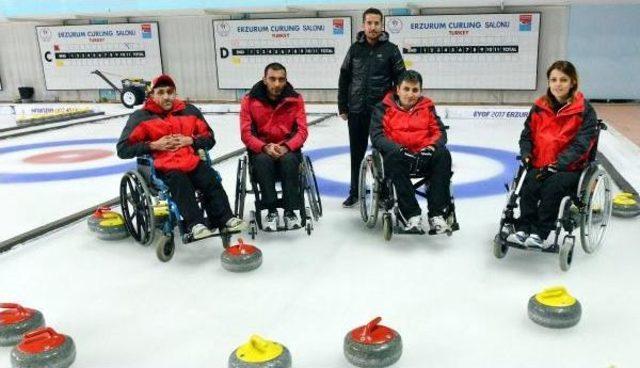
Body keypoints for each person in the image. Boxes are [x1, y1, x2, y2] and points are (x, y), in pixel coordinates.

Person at [116, 74, 244, 240]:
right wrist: (153, 145)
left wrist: (191, 140)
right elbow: (123, 149)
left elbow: (210, 138)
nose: (166, 96)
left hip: (190, 161)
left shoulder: (189, 111)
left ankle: (226, 218)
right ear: (152, 94)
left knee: (210, 178)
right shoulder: (141, 117)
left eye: (170, 92)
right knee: (179, 181)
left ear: (175, 93)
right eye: (160, 92)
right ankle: (195, 224)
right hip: (164, 166)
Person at [507, 60, 599, 248]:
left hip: (569, 168)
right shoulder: (540, 106)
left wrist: (558, 164)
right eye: (553, 79)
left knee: (552, 186)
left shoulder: (584, 111)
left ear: (573, 82)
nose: (558, 84)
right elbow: (527, 135)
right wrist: (526, 153)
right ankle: (524, 227)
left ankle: (539, 232)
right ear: (548, 82)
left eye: (563, 80)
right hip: (540, 164)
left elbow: (581, 145)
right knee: (529, 183)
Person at [338, 7, 406, 208]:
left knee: (384, 154)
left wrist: (397, 108)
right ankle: (354, 192)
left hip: (381, 113)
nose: (373, 27)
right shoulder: (354, 49)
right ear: (363, 25)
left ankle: (385, 193)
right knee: (356, 154)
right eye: (369, 23)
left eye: (377, 23)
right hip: (357, 110)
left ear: (382, 25)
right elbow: (344, 78)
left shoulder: (391, 50)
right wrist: (343, 105)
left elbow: (401, 80)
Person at [370, 70, 452, 234]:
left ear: (420, 91)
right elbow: (377, 136)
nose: (410, 94)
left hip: (423, 156)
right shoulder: (383, 108)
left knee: (443, 154)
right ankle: (411, 214)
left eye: (415, 90)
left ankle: (437, 214)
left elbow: (440, 133)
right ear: (398, 89)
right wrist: (398, 149)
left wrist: (430, 147)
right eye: (406, 89)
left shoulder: (427, 108)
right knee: (393, 157)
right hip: (399, 157)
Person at [240, 63, 309, 231]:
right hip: (262, 150)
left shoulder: (296, 99)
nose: (277, 84)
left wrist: (286, 146)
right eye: (272, 79)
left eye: (281, 79)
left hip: (287, 149)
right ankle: (271, 210)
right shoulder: (249, 100)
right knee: (263, 161)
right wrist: (264, 147)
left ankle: (290, 210)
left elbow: (302, 131)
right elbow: (246, 133)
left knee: (290, 160)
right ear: (264, 79)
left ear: (286, 81)